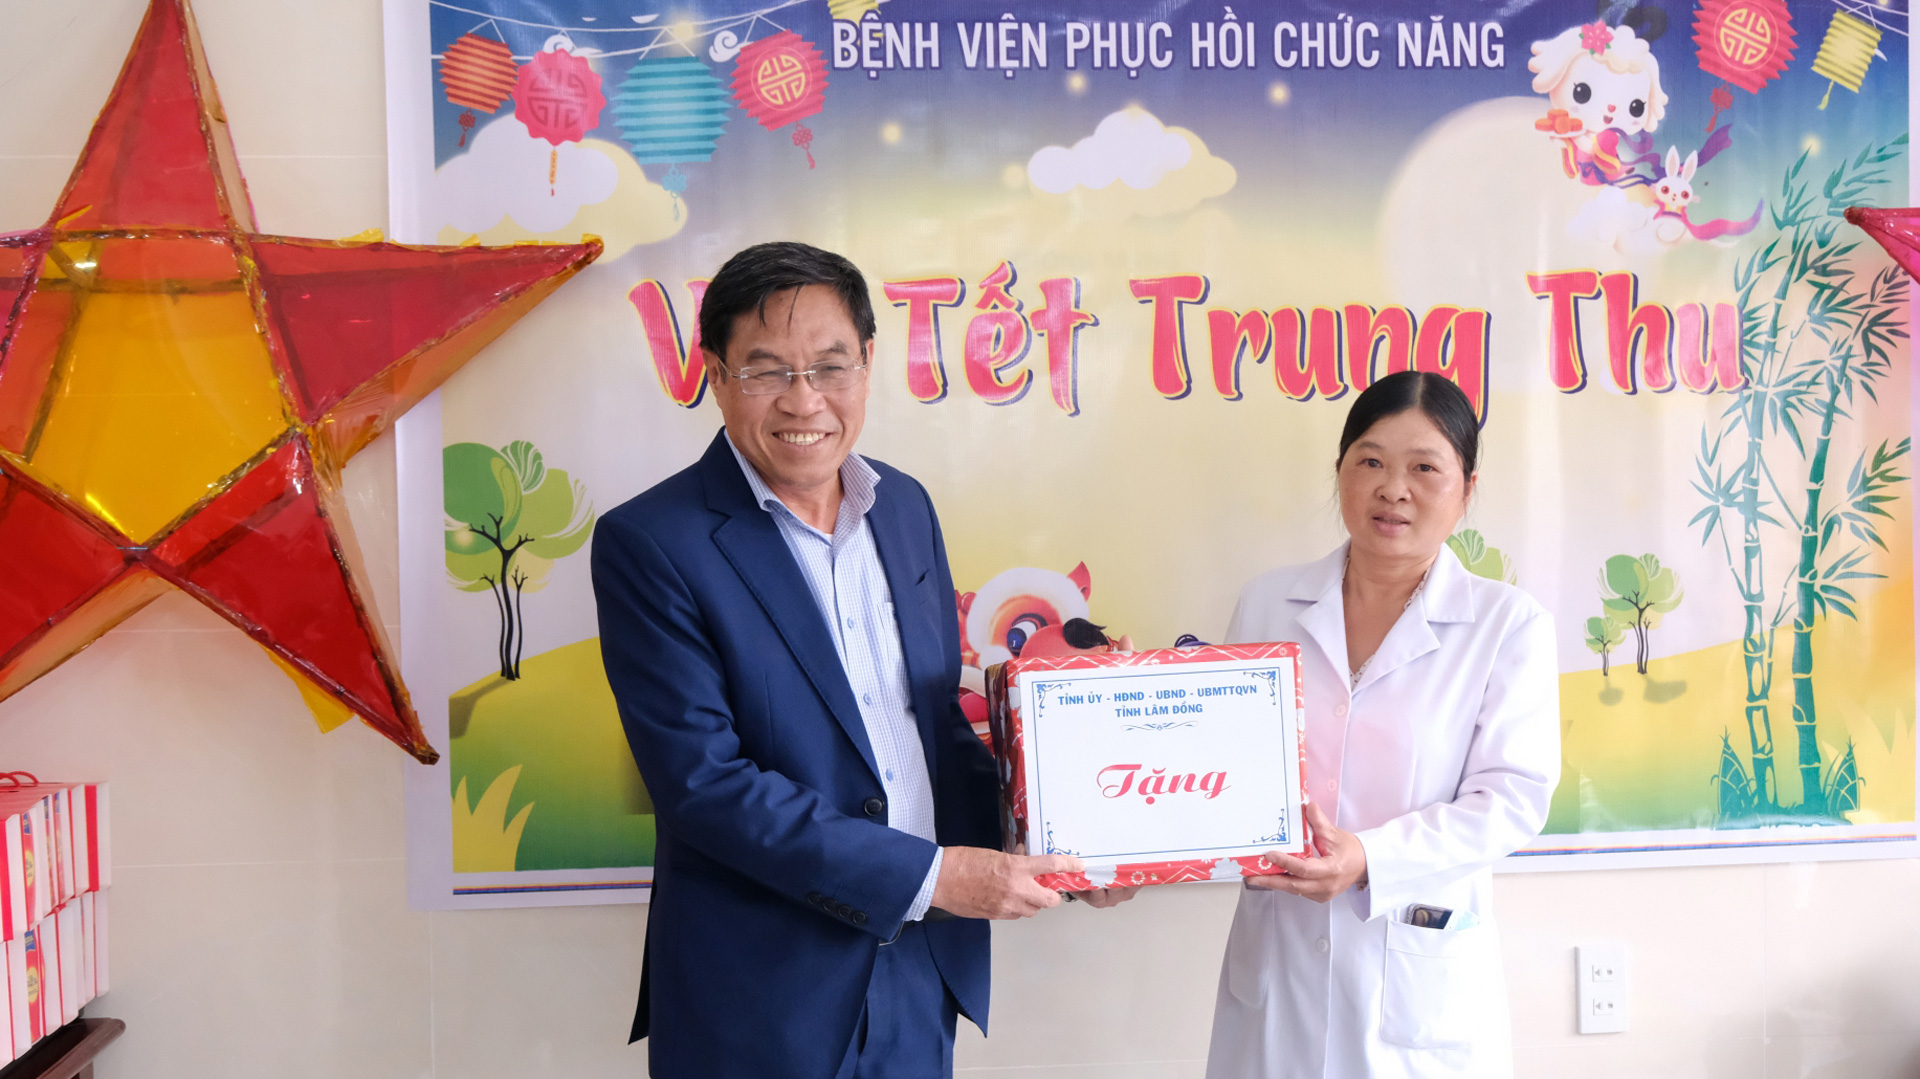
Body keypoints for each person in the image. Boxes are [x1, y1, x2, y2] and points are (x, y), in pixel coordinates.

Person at [1206, 371, 1561, 1079]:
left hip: (1415, 977)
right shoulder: (1267, 603)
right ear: (1340, 470)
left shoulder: (1506, 624)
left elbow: (1510, 800)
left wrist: (1368, 856)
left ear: (1466, 488)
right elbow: (1220, 765)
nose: (1393, 489)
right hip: (1278, 961)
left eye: (1424, 468)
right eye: (1370, 460)